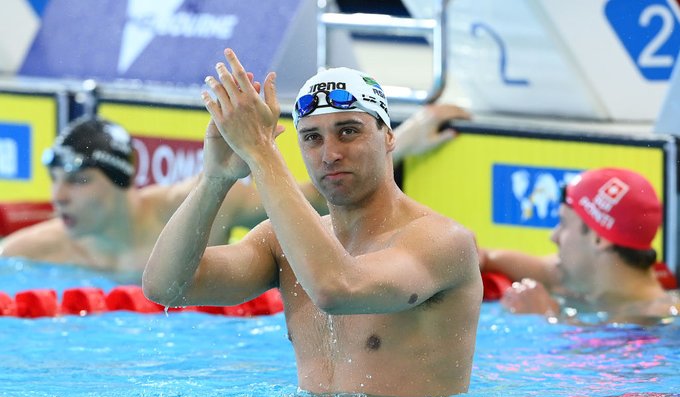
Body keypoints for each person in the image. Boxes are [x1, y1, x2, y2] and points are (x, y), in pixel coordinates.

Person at [142, 48, 483, 397]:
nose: (330, 153)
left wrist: (260, 152)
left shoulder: (440, 241)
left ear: (389, 136)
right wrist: (216, 178)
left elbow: (336, 288)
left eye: (348, 131)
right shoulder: (281, 244)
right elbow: (167, 288)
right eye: (312, 137)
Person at [0, 100, 469, 282]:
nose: (60, 196)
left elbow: (309, 194)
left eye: (79, 181)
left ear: (122, 182)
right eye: (56, 181)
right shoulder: (34, 250)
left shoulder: (183, 205)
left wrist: (400, 140)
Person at [479, 167, 679, 325]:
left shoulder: (658, 319)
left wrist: (547, 317)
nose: (554, 236)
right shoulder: (573, 278)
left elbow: (600, 366)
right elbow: (490, 258)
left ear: (599, 240)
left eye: (564, 224)